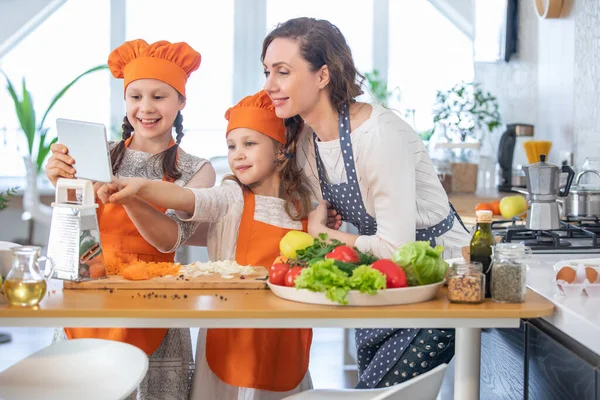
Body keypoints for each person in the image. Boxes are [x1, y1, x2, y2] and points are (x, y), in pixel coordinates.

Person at [261, 17, 471, 389]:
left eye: (282, 72)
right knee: (374, 389)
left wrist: (324, 234)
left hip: (435, 278)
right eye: (267, 72)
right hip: (381, 275)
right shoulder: (308, 141)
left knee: (377, 394)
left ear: (322, 75)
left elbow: (395, 244)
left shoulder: (378, 135)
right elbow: (326, 217)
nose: (270, 86)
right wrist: (324, 223)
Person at [98, 90, 314, 400]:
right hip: (227, 339)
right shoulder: (231, 197)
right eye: (231, 146)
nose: (237, 154)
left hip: (284, 339)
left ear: (282, 151)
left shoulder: (306, 207)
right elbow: (191, 198)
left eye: (250, 144)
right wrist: (142, 188)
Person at [45, 39, 215, 399]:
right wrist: (60, 183)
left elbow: (168, 239)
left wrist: (130, 195)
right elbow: (71, 233)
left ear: (181, 101)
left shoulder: (197, 170)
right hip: (88, 301)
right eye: (135, 96)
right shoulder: (95, 155)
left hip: (152, 308)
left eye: (159, 96)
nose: (146, 108)